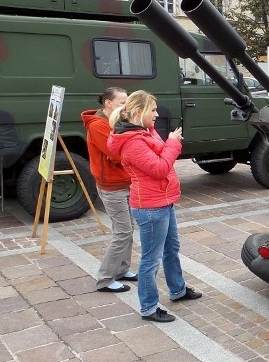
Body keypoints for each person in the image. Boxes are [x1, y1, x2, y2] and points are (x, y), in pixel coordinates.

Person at [108, 90, 202, 323]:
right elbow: (160, 167)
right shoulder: (132, 142)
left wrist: (167, 142)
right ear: (139, 113)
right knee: (151, 259)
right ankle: (149, 308)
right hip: (150, 207)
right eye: (153, 110)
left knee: (172, 249)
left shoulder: (143, 131)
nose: (157, 114)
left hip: (163, 201)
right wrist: (172, 143)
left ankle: (177, 290)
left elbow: (160, 154)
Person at [82, 87, 137, 293]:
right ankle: (105, 278)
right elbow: (115, 153)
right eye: (122, 102)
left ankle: (122, 270)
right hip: (112, 186)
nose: (126, 106)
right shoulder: (98, 125)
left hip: (124, 182)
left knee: (128, 229)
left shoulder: (116, 122)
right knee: (122, 232)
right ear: (108, 103)